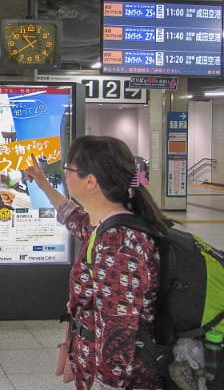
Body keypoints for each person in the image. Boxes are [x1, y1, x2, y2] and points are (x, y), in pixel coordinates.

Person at [25, 136, 172, 390]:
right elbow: (72, 217)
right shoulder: (107, 226)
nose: (65, 173)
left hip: (122, 379)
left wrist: (107, 385)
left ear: (90, 181)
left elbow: (119, 333)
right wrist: (42, 182)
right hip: (93, 366)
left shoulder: (120, 245)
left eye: (67, 168)